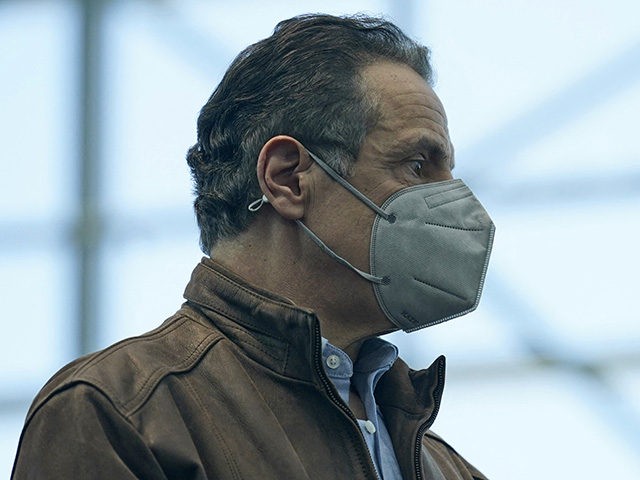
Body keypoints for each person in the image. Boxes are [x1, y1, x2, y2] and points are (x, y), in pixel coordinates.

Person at [12, 13, 495, 480]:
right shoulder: (121, 414)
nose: (459, 204)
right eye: (417, 165)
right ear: (287, 179)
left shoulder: (448, 469)